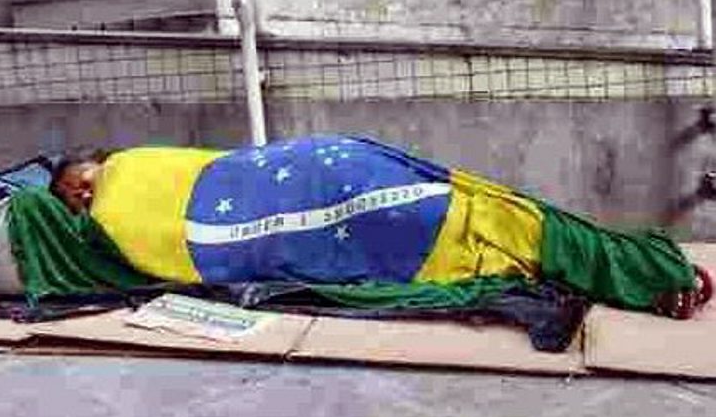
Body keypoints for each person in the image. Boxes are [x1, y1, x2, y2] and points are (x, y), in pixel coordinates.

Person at [46, 135, 712, 320]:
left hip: (325, 180)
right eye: (76, 199)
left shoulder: (133, 167)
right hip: (326, 182)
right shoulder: (128, 187)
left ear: (95, 166)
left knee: (488, 226)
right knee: (490, 228)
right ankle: (645, 272)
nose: (84, 197)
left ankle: (647, 271)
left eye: (82, 184)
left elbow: (202, 184)